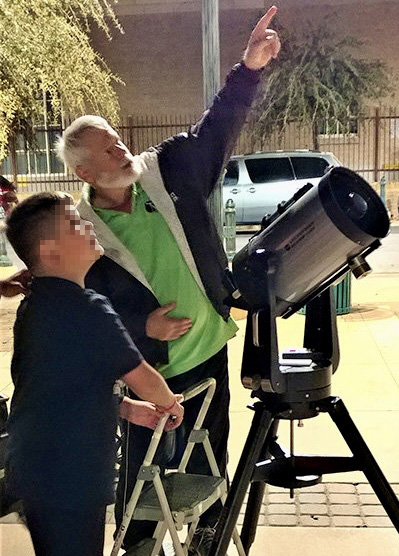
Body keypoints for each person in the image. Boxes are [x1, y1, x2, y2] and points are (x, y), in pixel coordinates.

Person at [56, 6, 281, 554]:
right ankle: (137, 545)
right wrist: (143, 324)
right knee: (145, 475)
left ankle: (211, 534)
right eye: (107, 147)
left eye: (116, 137)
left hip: (209, 349)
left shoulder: (168, 168)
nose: (121, 147)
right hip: (148, 373)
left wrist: (248, 69)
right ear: (85, 172)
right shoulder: (79, 231)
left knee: (210, 457)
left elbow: (218, 126)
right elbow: (77, 306)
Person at [4, 192, 184, 556]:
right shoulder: (90, 309)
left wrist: (126, 408)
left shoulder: (34, 306)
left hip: (38, 469)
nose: (87, 225)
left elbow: (60, 386)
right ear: (52, 252)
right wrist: (168, 402)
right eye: (74, 224)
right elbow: (142, 375)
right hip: (73, 476)